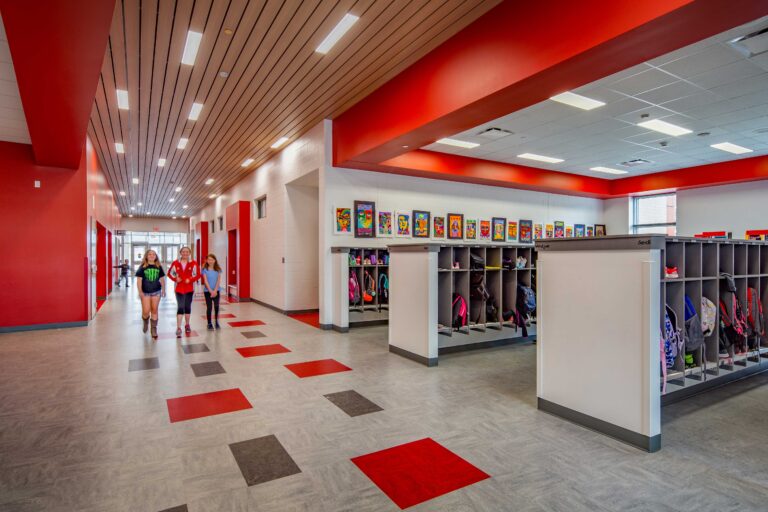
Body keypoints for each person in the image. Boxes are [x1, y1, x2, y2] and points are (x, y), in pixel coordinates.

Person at [167, 246, 201, 338]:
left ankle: (187, 325)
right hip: (179, 289)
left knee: (187, 307)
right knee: (180, 306)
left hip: (189, 289)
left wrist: (190, 279)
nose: (185, 253)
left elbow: (198, 275)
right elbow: (169, 273)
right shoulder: (176, 263)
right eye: (183, 252)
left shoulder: (193, 263)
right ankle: (178, 327)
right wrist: (175, 279)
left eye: (187, 252)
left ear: (189, 253)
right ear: (180, 253)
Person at [135, 250, 165, 339]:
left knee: (154, 310)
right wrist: (140, 292)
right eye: (150, 254)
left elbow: (162, 279)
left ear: (156, 256)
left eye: (153, 254)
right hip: (145, 292)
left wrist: (163, 289)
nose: (152, 256)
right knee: (146, 311)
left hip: (156, 291)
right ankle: (145, 321)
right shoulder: (142, 267)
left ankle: (154, 329)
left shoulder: (159, 267)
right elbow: (139, 280)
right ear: (146, 256)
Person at [201, 253, 223, 330]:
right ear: (206, 260)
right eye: (209, 259)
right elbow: (205, 281)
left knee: (216, 306)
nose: (210, 261)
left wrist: (215, 291)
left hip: (217, 291)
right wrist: (211, 291)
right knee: (209, 307)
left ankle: (216, 321)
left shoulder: (218, 269)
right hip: (207, 291)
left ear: (215, 260)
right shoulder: (204, 270)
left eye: (212, 259)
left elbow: (218, 281)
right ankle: (209, 323)